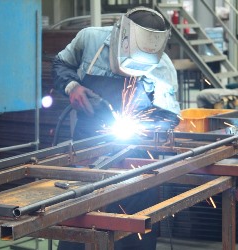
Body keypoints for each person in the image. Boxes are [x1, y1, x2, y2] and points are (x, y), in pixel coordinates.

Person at [52, 6, 180, 250]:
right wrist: (72, 87)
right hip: (86, 148)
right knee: (79, 229)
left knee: (133, 232)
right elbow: (60, 64)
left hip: (136, 156)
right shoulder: (90, 39)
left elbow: (169, 116)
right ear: (121, 37)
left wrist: (149, 125)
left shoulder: (162, 65)